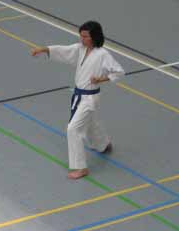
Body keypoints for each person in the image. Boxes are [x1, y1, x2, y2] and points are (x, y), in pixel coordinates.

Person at [31, 21, 124, 179]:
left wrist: (101, 79)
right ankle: (103, 145)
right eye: (81, 36)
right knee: (90, 123)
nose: (82, 39)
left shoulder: (103, 54)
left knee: (73, 129)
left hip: (90, 97)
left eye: (85, 36)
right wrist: (44, 49)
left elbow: (119, 71)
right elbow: (64, 51)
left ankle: (81, 168)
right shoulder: (80, 49)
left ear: (94, 36)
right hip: (80, 95)